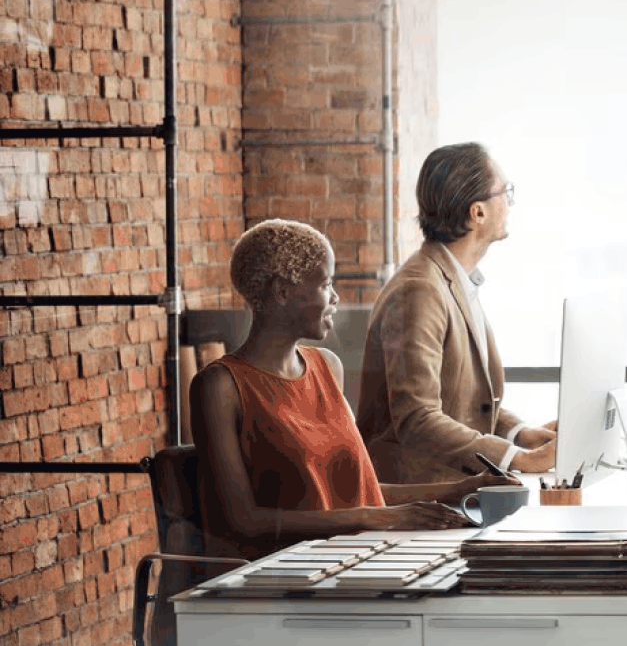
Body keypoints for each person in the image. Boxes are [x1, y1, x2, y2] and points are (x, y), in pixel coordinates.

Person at [194, 220, 503, 559]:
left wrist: (461, 489)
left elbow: (360, 493)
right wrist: (378, 518)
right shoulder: (221, 386)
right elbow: (245, 522)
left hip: (352, 557)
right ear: (283, 292)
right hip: (282, 574)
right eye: (326, 283)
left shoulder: (327, 367)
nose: (336, 297)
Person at [359, 143, 557, 482]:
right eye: (505, 192)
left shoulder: (453, 279)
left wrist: (519, 434)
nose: (509, 203)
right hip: (419, 495)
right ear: (477, 212)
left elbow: (461, 400)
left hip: (453, 486)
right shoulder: (419, 290)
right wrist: (519, 459)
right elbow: (418, 418)